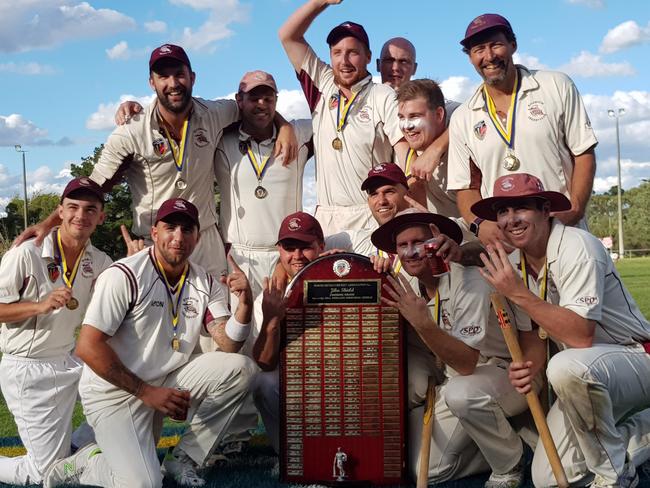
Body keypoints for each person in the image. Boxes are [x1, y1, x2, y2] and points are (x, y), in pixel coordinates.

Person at [15, 43, 297, 282]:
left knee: (213, 331)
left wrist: (285, 126)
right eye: (163, 76)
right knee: (157, 335)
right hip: (155, 241)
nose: (172, 83)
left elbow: (257, 107)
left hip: (203, 240)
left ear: (193, 77)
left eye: (179, 75)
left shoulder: (215, 113)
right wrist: (50, 222)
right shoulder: (131, 130)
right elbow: (94, 186)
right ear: (152, 82)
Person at [43, 198, 257, 488]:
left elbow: (228, 344)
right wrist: (147, 393)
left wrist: (245, 305)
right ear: (154, 232)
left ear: (198, 236)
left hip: (165, 381)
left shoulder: (203, 281)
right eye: (170, 227)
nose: (178, 237)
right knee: (143, 484)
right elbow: (87, 347)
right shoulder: (125, 275)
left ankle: (185, 457)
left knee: (241, 368)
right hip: (115, 391)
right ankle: (86, 460)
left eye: (187, 229)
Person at [476, 173, 650, 488]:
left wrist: (517, 293)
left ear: (546, 210)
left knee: (567, 365)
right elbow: (531, 335)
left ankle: (616, 476)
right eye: (502, 211)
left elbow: (581, 335)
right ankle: (639, 432)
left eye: (521, 208)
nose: (511, 219)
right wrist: (528, 368)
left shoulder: (577, 244)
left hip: (635, 357)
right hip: (585, 377)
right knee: (547, 479)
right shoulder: (516, 263)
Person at [373, 208, 537, 486]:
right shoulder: (410, 286)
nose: (411, 252)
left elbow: (466, 363)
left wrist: (423, 323)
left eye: (419, 242)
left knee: (459, 401)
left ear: (437, 241)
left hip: (507, 376)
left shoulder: (469, 280)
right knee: (410, 465)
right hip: (454, 385)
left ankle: (509, 461)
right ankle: (491, 438)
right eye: (403, 245)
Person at [447, 14, 598, 248]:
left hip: (563, 230)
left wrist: (574, 208)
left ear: (512, 45)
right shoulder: (463, 117)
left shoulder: (556, 85)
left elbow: (583, 152)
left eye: (495, 45)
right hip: (508, 242)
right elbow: (466, 186)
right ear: (470, 57)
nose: (488, 56)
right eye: (478, 49)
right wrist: (479, 223)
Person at [0, 178, 111, 486]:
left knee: (127, 387)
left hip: (70, 359)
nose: (81, 216)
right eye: (73, 207)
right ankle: (73, 457)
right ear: (60, 212)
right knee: (43, 474)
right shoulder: (27, 254)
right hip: (27, 367)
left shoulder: (100, 261)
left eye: (91, 210)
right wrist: (38, 306)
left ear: (100, 217)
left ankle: (77, 450)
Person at [279, 0, 412, 234]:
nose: (344, 61)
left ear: (368, 57)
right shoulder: (322, 82)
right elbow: (288, 35)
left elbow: (403, 152)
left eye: (353, 53)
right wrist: (320, 3)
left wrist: (404, 209)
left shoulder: (383, 94)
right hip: (327, 217)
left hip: (370, 214)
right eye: (337, 53)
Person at [215, 70, 313, 355]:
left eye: (268, 97)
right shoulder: (223, 138)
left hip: (285, 257)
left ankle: (284, 400)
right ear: (239, 100)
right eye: (253, 97)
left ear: (276, 100)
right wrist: (133, 109)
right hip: (240, 257)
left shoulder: (300, 133)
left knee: (286, 340)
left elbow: (337, 124)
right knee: (242, 343)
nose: (261, 104)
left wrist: (285, 126)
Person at [250, 211, 326, 453]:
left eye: (305, 247)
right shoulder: (270, 295)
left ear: (321, 246)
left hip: (341, 380)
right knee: (262, 382)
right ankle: (288, 454)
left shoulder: (339, 277)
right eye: (289, 248)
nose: (297, 256)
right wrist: (272, 321)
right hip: (297, 382)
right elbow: (264, 363)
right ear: (279, 251)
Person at [396, 79, 466, 227]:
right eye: (401, 117)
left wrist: (436, 148)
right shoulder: (403, 153)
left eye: (415, 116)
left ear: (439, 115)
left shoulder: (465, 149)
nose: (406, 126)